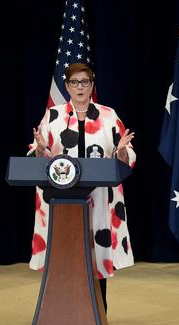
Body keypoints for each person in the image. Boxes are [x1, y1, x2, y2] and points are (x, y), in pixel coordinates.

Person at [28, 63, 136, 311]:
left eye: (85, 82)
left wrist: (120, 153)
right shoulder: (53, 116)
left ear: (92, 85)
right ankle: (61, 318)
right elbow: (38, 156)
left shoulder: (108, 115)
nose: (80, 87)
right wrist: (42, 149)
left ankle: (99, 319)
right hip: (61, 204)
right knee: (64, 261)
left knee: (96, 260)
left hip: (99, 200)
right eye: (74, 82)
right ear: (66, 86)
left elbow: (128, 157)